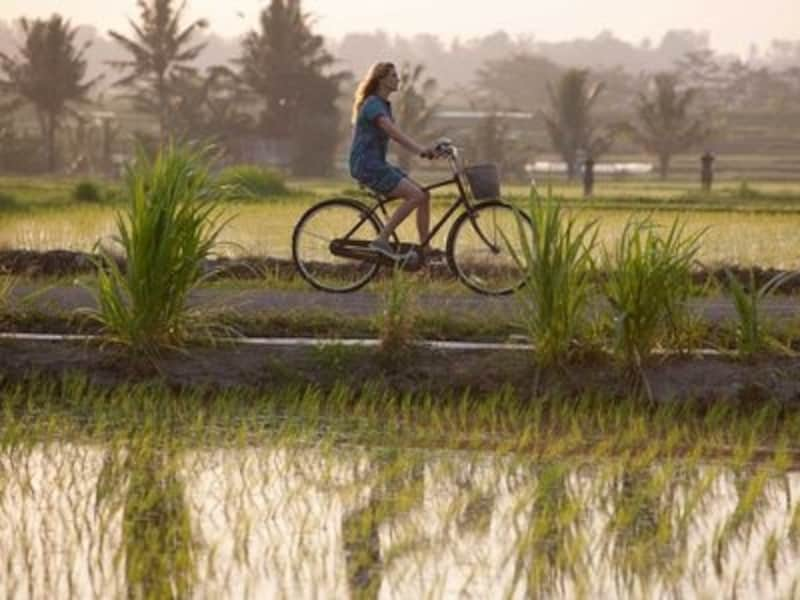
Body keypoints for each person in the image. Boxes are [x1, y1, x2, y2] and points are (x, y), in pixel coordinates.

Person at [349, 61, 442, 261]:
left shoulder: (383, 105)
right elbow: (393, 133)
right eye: (393, 76)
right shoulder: (373, 104)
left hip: (376, 164)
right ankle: (382, 240)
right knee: (415, 196)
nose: (397, 79)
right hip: (368, 165)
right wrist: (420, 150)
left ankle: (425, 249)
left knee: (424, 195)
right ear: (381, 80)